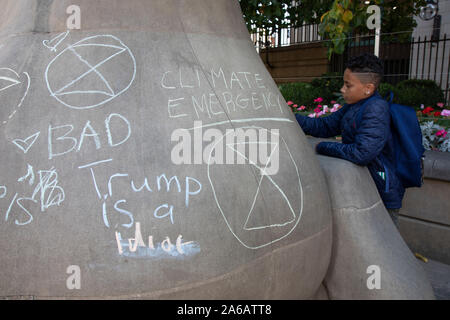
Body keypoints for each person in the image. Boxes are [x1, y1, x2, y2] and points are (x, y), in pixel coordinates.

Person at [295, 53, 403, 227]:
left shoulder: (377, 109)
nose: (342, 89)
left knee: (382, 243)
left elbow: (362, 153)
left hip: (381, 190)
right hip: (364, 187)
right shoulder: (354, 107)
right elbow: (323, 126)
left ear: (368, 88)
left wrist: (324, 147)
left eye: (348, 85)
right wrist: (289, 117)